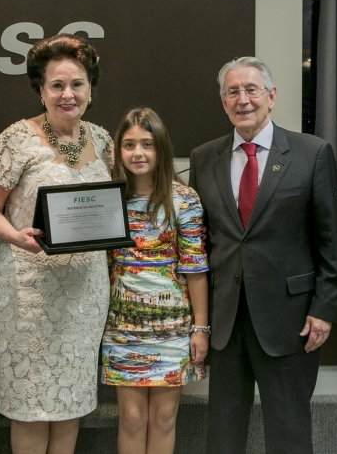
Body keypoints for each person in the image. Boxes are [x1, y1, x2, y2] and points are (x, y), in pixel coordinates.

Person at [189, 56, 337, 454]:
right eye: (233, 92)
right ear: (223, 103)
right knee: (223, 432)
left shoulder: (313, 153)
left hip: (290, 320)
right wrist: (200, 323)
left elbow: (329, 241)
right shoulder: (204, 158)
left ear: (271, 96)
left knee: (289, 430)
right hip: (226, 320)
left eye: (251, 89)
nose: (243, 100)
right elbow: (200, 242)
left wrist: (324, 309)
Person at [0, 34, 112, 454]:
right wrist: (14, 235)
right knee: (32, 408)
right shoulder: (16, 138)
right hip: (27, 292)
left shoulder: (103, 140)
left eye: (77, 84)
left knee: (71, 404)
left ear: (90, 88)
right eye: (57, 85)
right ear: (41, 89)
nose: (67, 94)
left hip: (85, 293)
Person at [100, 107, 209, 454]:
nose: (138, 153)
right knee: (130, 418)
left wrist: (201, 329)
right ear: (119, 151)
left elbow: (195, 265)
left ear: (160, 148)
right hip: (121, 325)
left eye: (147, 144)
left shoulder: (184, 199)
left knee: (164, 418)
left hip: (174, 326)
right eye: (129, 144)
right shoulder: (108, 198)